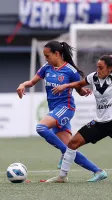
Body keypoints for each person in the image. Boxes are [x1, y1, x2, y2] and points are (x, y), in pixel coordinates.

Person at [16, 41, 106, 181]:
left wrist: (84, 92)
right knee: (70, 146)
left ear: (57, 54)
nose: (46, 59)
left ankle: (64, 153)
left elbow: (79, 90)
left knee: (41, 127)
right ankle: (98, 171)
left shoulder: (70, 71)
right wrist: (22, 85)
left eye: (47, 55)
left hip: (66, 108)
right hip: (54, 109)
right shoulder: (46, 68)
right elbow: (32, 82)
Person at [45, 54, 112, 183]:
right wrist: (65, 86)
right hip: (100, 123)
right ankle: (62, 177)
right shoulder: (93, 77)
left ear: (110, 69)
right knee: (72, 143)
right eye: (97, 67)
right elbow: (79, 84)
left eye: (101, 68)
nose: (98, 70)